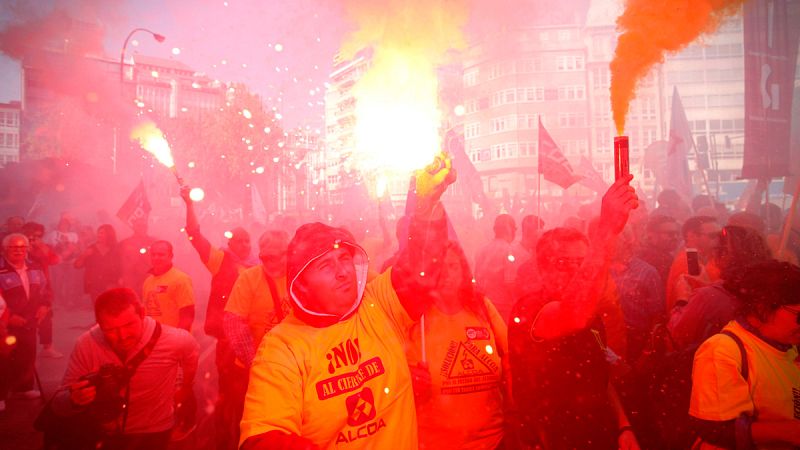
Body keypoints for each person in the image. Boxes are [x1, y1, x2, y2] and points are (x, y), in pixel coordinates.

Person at [239, 154, 455, 449]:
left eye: (344, 259)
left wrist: (426, 206)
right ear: (301, 284)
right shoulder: (282, 348)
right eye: (326, 266)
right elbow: (263, 440)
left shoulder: (375, 303)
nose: (343, 272)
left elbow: (423, 267)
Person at [509, 175, 640, 450]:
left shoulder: (592, 315)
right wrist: (606, 230)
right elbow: (572, 314)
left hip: (599, 437)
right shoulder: (530, 308)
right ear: (542, 269)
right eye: (562, 262)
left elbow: (599, 377)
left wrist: (623, 425)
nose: (574, 269)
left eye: (581, 262)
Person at [51, 287, 199, 450]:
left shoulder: (175, 340)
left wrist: (185, 387)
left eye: (129, 325)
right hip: (103, 434)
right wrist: (74, 399)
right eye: (111, 330)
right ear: (98, 324)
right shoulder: (87, 344)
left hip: (154, 433)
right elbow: (58, 403)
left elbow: (191, 357)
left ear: (142, 313)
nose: (122, 336)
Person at [406, 241, 509, 449]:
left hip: (494, 442)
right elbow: (393, 374)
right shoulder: (413, 317)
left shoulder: (482, 308)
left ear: (463, 269)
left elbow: (510, 357)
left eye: (453, 266)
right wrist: (408, 381)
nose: (446, 275)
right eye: (439, 268)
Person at [689, 260, 800, 449]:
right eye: (799, 315)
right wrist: (788, 432)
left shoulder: (787, 346)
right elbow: (716, 431)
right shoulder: (723, 350)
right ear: (762, 307)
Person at [180, 185, 253, 450]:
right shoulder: (220, 260)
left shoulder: (257, 268)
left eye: (247, 240)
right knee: (228, 399)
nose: (244, 245)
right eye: (239, 240)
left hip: (253, 344)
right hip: (227, 343)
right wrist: (189, 204)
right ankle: (224, 441)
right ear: (230, 243)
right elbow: (194, 235)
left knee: (250, 399)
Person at [221, 230, 290, 448]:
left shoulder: (298, 276)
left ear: (287, 253)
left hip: (290, 368)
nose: (268, 262)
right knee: (252, 427)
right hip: (251, 370)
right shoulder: (249, 278)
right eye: (263, 257)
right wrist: (256, 364)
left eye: (274, 256)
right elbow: (233, 322)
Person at [668, 225, 773, 350]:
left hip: (714, 360)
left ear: (725, 255)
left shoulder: (710, 296)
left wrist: (682, 300)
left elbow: (677, 334)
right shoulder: (769, 288)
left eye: (717, 250)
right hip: (758, 361)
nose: (714, 254)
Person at [0, 233, 52, 408]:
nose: (19, 251)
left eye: (22, 247)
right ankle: (1, 395)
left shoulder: (35, 267)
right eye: (14, 247)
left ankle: (24, 388)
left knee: (27, 354)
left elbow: (46, 289)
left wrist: (45, 306)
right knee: (3, 359)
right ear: (5, 249)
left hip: (29, 322)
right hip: (6, 324)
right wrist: (9, 316)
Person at [22, 221, 63, 358]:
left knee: (46, 316)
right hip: (22, 287)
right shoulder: (17, 245)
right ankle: (24, 348)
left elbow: (55, 260)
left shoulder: (43, 247)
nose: (34, 239)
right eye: (31, 236)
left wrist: (41, 246)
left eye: (38, 236)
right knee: (24, 317)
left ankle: (47, 347)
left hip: (41, 287)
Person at [666, 215, 721, 313]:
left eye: (720, 235)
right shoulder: (688, 262)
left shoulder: (710, 258)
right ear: (691, 236)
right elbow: (696, 307)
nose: (719, 240)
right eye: (713, 236)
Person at [142, 240, 195, 331]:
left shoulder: (181, 279)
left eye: (161, 254)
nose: (156, 258)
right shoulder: (148, 282)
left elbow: (187, 314)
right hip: (153, 339)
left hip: (174, 338)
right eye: (153, 255)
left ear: (171, 256)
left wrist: (179, 338)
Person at [475, 214, 518, 321]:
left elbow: (477, 277)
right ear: (511, 230)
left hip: (485, 303)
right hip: (503, 305)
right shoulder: (508, 250)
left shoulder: (483, 249)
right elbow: (510, 281)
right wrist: (515, 301)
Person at [74, 224, 121, 303]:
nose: (99, 235)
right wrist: (84, 255)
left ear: (109, 235)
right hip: (94, 284)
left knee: (109, 307)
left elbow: (120, 266)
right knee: (98, 307)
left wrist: (119, 279)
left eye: (102, 233)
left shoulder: (115, 249)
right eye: (98, 233)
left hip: (110, 283)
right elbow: (77, 265)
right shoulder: (92, 248)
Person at [636, 214, 680, 289]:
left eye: (677, 234)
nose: (675, 237)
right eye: (670, 234)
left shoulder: (665, 255)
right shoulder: (654, 258)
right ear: (651, 235)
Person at [117, 218, 157, 298]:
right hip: (131, 277)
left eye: (144, 226)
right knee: (132, 299)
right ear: (134, 227)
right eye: (139, 226)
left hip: (148, 275)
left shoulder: (153, 241)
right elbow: (119, 261)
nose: (142, 228)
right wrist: (120, 276)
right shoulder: (125, 243)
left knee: (149, 299)